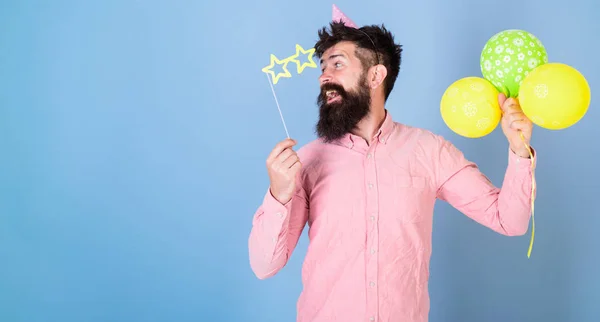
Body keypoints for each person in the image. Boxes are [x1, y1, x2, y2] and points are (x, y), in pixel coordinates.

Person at [248, 11, 536, 322]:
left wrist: (519, 150)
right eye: (323, 67)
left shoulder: (429, 150)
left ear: (375, 76)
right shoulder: (307, 161)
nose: (324, 76)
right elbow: (264, 266)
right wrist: (278, 194)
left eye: (337, 64)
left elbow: (510, 221)